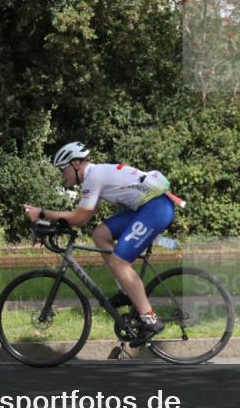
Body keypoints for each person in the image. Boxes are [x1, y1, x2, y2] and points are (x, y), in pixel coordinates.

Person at [22, 141, 175, 336]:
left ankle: (150, 319)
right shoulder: (96, 175)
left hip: (155, 208)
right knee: (100, 235)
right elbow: (86, 216)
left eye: (63, 170)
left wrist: (42, 213)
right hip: (146, 207)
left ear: (75, 164)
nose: (63, 175)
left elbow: (79, 218)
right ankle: (126, 291)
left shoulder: (93, 177)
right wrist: (55, 221)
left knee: (120, 263)